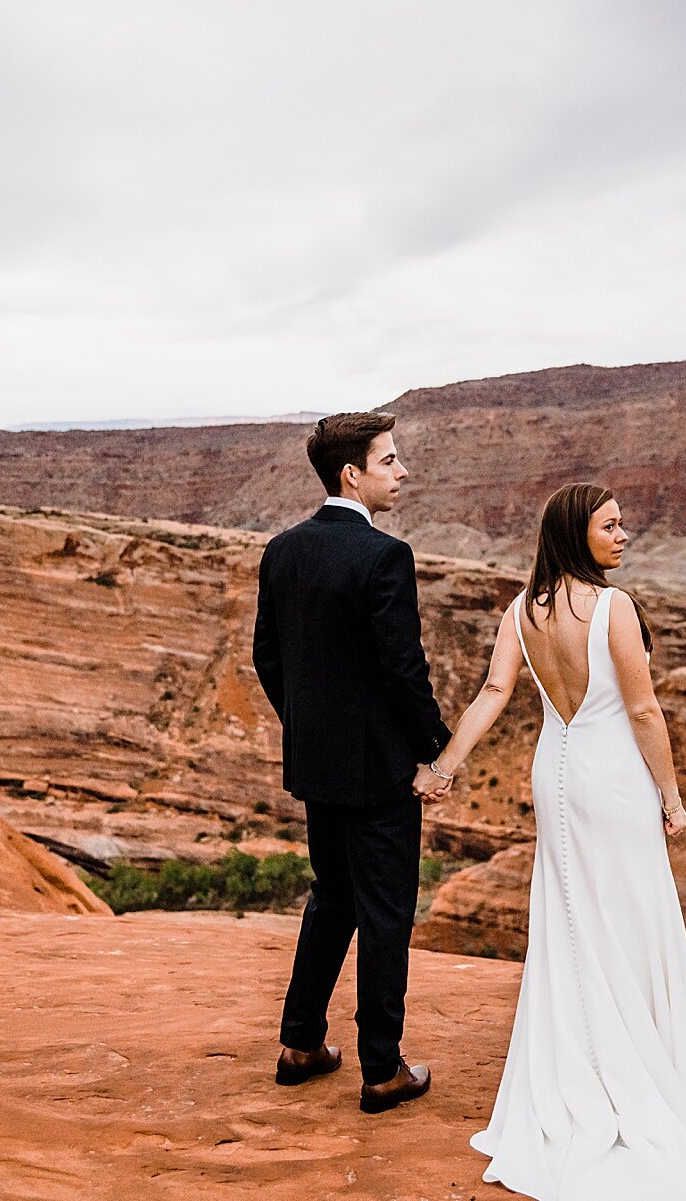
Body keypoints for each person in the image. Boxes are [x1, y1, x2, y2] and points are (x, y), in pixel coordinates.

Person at [423, 482, 686, 1199]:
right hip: (614, 778)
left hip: (556, 775)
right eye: (611, 525)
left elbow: (493, 693)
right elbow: (642, 708)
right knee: (629, 920)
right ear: (578, 534)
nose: (624, 534)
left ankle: (578, 1078)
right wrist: (672, 794)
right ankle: (637, 1079)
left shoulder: (520, 608)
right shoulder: (613, 608)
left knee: (569, 924)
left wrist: (445, 766)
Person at [251, 411, 456, 1115]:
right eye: (390, 461)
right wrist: (438, 748)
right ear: (352, 474)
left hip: (318, 767)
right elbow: (405, 671)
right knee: (386, 912)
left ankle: (300, 1043)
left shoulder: (281, 550)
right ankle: (381, 1069)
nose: (402, 473)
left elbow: (268, 658)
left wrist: (313, 730)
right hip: (379, 772)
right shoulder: (383, 557)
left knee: (332, 897)